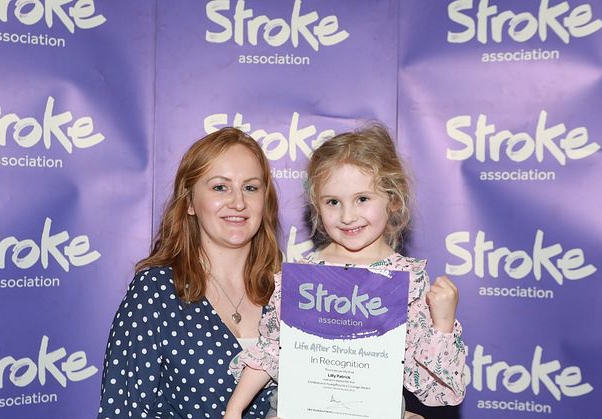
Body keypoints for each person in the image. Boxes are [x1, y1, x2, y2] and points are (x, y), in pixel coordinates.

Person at [225, 123, 467, 419]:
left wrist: (443, 324)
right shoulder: (304, 276)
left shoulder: (407, 282)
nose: (348, 216)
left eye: (362, 199)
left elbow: (438, 391)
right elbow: (270, 351)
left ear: (392, 199)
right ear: (317, 206)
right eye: (333, 202)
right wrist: (235, 410)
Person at [97, 127, 282, 418]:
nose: (238, 202)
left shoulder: (291, 293)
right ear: (191, 202)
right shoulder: (155, 291)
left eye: (250, 187)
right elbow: (122, 410)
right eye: (220, 187)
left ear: (265, 200)